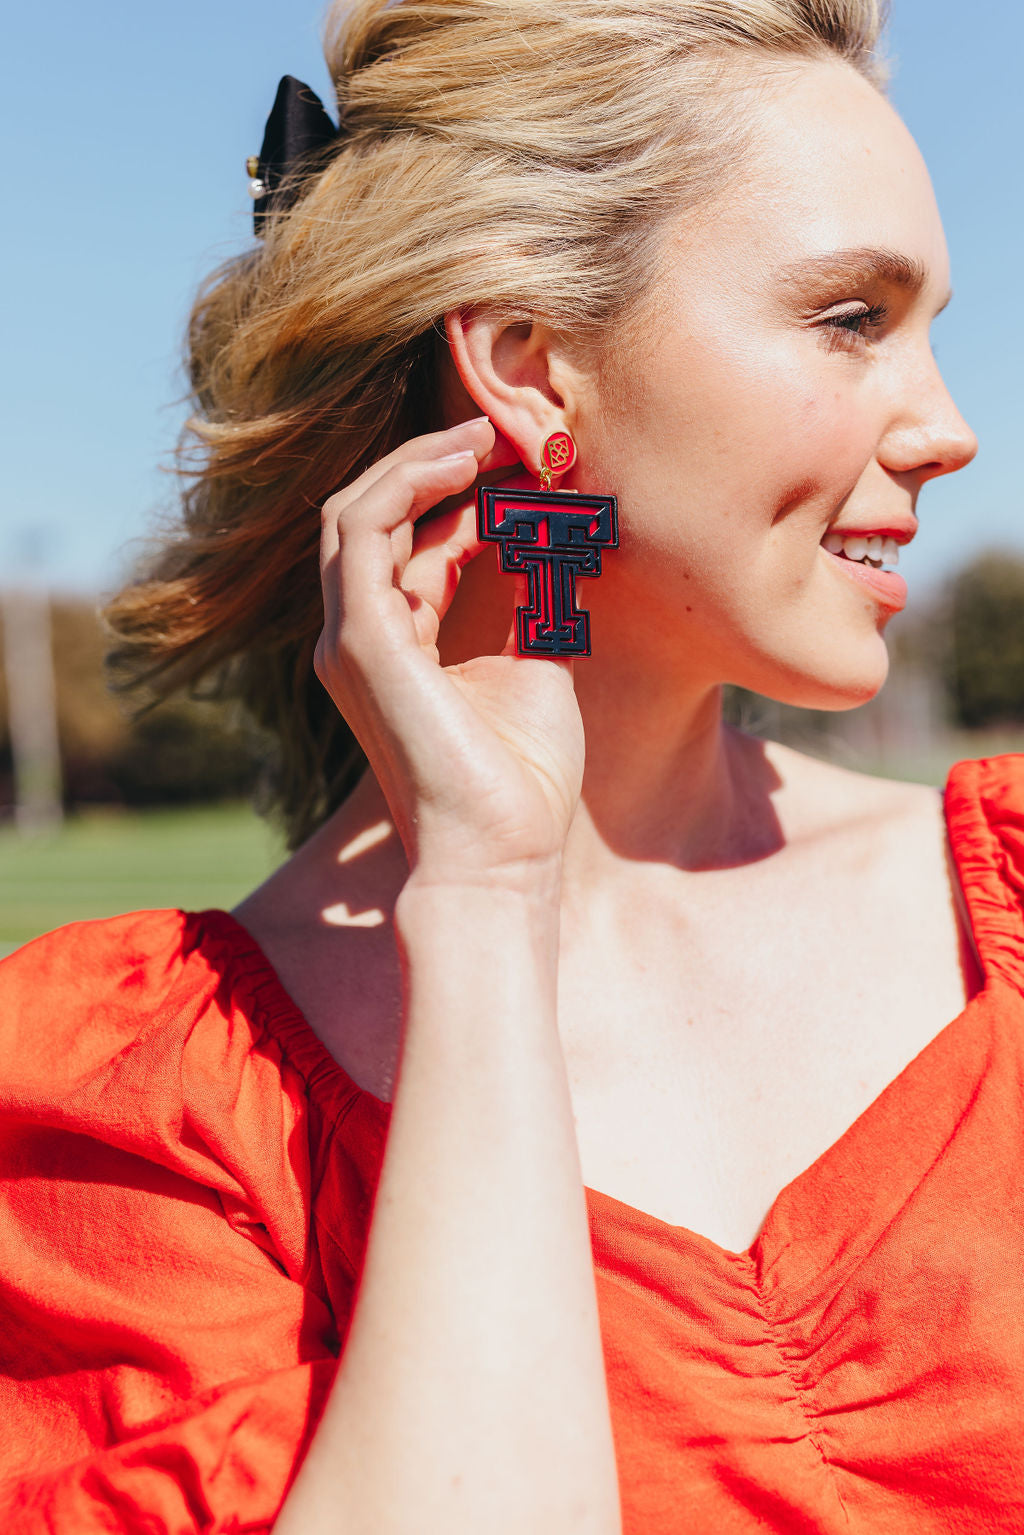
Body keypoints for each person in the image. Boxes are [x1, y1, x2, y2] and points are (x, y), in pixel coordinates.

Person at [3, 0, 1020, 1529]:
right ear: (531, 370)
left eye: (932, 327)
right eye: (850, 320)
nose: (948, 430)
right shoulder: (130, 1109)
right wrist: (484, 894)